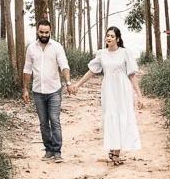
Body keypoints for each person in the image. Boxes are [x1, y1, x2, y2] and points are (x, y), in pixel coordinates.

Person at [69, 26, 143, 166]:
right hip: (108, 90)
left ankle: (116, 153)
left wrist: (139, 95)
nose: (109, 38)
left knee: (121, 117)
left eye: (112, 36)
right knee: (111, 117)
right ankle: (113, 148)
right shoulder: (102, 54)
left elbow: (132, 75)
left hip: (123, 90)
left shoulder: (125, 53)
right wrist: (78, 84)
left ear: (117, 39)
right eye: (107, 35)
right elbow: (91, 71)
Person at [22, 18, 73, 163]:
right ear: (37, 31)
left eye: (46, 32)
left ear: (50, 32)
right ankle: (48, 150)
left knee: (55, 120)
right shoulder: (31, 48)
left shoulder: (57, 47)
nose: (44, 35)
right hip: (38, 91)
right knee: (43, 123)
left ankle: (57, 152)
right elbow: (27, 69)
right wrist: (25, 89)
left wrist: (68, 82)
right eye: (41, 32)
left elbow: (64, 65)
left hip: (54, 91)